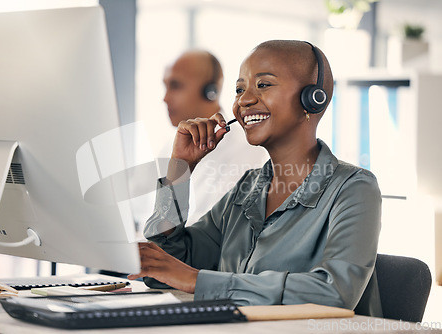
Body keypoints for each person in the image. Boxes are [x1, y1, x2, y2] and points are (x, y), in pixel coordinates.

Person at [128, 40, 382, 317]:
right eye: (239, 89)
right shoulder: (247, 189)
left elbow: (334, 293)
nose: (244, 100)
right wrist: (180, 170)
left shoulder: (354, 188)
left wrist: (197, 280)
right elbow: (167, 267)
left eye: (263, 85)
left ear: (313, 98)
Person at [159, 49, 268, 224]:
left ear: (211, 91)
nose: (165, 98)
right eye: (165, 86)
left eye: (175, 86)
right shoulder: (171, 146)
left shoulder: (246, 149)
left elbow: (213, 230)